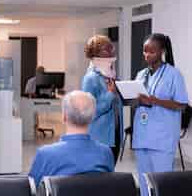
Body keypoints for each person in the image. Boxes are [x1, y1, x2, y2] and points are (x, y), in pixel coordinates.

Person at [133, 33, 189, 196]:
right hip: (142, 137)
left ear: (162, 51)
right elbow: (138, 100)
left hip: (161, 139)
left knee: (161, 183)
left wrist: (155, 101)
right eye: (145, 51)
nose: (147, 55)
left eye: (152, 51)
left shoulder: (173, 74)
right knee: (144, 182)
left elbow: (182, 105)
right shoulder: (141, 74)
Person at [29, 90, 114, 187]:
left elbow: (31, 190)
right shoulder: (105, 153)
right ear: (92, 117)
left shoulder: (45, 154)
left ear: (64, 117)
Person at [81, 35, 123, 164]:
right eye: (107, 49)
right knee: (99, 178)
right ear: (96, 54)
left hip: (115, 134)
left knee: (110, 175)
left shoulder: (111, 76)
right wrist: (110, 94)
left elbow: (116, 104)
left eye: (111, 48)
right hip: (100, 137)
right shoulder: (90, 78)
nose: (111, 51)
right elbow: (90, 112)